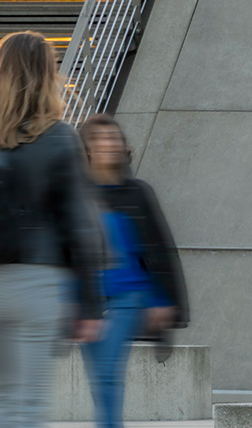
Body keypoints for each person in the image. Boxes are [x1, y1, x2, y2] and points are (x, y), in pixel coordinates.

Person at [0, 32, 106, 428]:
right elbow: (81, 225)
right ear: (47, 76)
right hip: (36, 279)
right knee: (27, 406)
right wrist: (91, 304)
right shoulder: (60, 136)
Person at [80, 114, 188, 428]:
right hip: (90, 301)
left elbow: (158, 249)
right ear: (88, 149)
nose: (110, 144)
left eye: (114, 137)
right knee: (99, 379)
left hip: (128, 296)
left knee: (108, 375)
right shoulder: (77, 194)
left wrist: (162, 300)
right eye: (100, 139)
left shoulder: (137, 193)